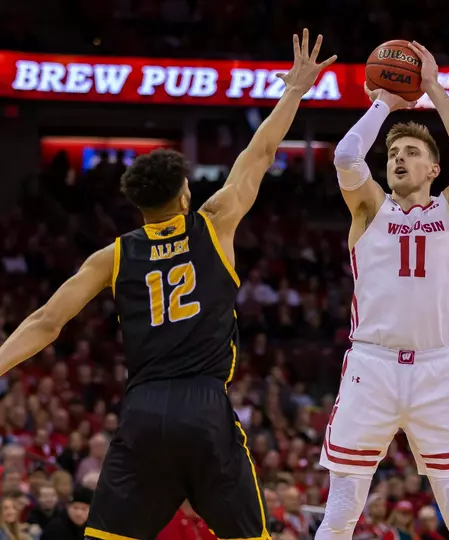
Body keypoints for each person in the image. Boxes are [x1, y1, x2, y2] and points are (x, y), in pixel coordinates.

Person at [0, 29, 336, 540]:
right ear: (184, 195)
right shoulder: (215, 221)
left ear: (140, 205)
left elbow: (46, 322)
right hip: (204, 406)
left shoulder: (112, 255)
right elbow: (261, 151)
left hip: (143, 408)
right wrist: (294, 89)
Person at [315, 42, 449, 540]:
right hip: (372, 365)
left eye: (411, 152)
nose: (398, 159)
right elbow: (347, 154)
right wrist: (387, 103)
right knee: (342, 510)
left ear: (435, 169)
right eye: (392, 153)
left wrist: (432, 86)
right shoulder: (369, 210)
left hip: (436, 367)